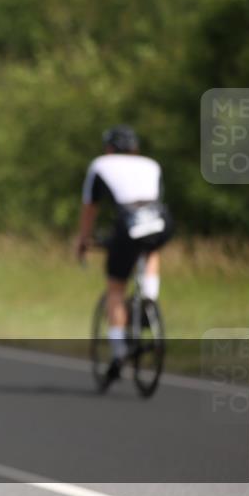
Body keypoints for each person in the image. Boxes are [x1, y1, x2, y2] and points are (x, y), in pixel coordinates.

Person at [75, 126, 172, 388]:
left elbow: (90, 207)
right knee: (150, 249)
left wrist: (83, 240)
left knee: (116, 287)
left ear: (109, 148)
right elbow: (154, 199)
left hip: (129, 222)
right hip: (160, 220)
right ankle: (149, 299)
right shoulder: (151, 164)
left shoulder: (100, 164)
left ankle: (119, 352)